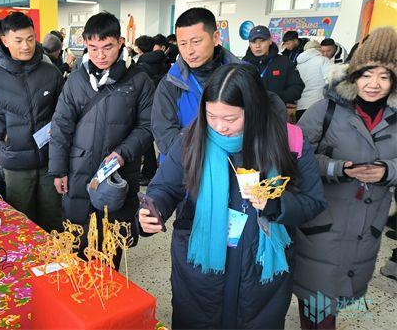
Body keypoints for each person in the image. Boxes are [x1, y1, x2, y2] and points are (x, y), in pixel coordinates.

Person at [139, 63, 326, 329]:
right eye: (211, 115)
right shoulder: (193, 137)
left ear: (254, 110)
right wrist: (152, 208)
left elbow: (313, 201)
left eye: (230, 119)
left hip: (261, 271)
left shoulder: (288, 141)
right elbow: (165, 187)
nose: (219, 126)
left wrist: (276, 204)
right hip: (200, 269)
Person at [296, 27, 397, 329]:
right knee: (318, 304)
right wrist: (337, 168)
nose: (374, 84)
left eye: (384, 75)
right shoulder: (325, 110)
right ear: (354, 75)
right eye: (367, 74)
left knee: (337, 298)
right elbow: (293, 156)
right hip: (322, 226)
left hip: (367, 228)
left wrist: (388, 170)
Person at [49, 12, 154, 265]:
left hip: (118, 174)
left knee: (110, 247)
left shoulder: (138, 80)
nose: (100, 55)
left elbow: (148, 126)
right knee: (77, 244)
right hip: (78, 172)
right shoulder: (76, 79)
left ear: (120, 42)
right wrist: (58, 169)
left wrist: (122, 153)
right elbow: (61, 124)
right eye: (93, 48)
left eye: (107, 47)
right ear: (85, 42)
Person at [0, 12, 64, 229]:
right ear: (6, 41)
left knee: (53, 219)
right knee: (22, 221)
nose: (26, 46)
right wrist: (1, 132)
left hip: (50, 161)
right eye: (18, 40)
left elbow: (64, 111)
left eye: (30, 39)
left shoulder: (50, 72)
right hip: (15, 164)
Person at [152, 8, 240, 161]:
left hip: (233, 166)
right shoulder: (170, 84)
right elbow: (164, 135)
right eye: (183, 44)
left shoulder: (242, 77)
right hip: (181, 170)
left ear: (215, 37)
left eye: (196, 42)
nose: (189, 51)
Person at [242, 25, 304, 106]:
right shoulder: (243, 64)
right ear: (249, 44)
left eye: (262, 41)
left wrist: (277, 98)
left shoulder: (284, 62)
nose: (257, 46)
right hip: (248, 112)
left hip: (276, 112)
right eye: (253, 42)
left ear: (270, 41)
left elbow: (297, 87)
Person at [134, 35, 167, 185]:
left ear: (139, 49)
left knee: (145, 141)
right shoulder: (164, 60)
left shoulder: (140, 65)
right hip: (160, 103)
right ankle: (153, 170)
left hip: (144, 104)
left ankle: (147, 173)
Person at [295, 40, 332, 121]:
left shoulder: (298, 65)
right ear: (319, 50)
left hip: (301, 106)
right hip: (318, 106)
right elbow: (331, 81)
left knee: (301, 133)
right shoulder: (323, 60)